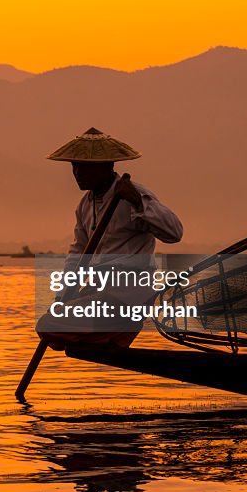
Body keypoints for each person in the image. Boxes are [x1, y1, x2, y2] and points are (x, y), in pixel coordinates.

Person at [38, 127, 183, 349]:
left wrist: (137, 202)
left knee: (50, 326)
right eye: (74, 166)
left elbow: (174, 233)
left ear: (104, 167)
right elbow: (77, 254)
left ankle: (116, 332)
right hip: (101, 290)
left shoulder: (133, 194)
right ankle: (111, 335)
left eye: (83, 167)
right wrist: (63, 295)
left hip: (129, 293)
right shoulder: (84, 205)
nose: (76, 173)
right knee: (52, 332)